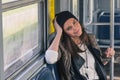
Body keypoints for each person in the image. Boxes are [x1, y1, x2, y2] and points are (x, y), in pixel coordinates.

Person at [45, 11, 115, 80]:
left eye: (74, 22)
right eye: (69, 28)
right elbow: (50, 59)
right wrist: (59, 33)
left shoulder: (90, 38)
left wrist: (107, 56)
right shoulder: (63, 46)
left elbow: (99, 63)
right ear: (64, 32)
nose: (75, 28)